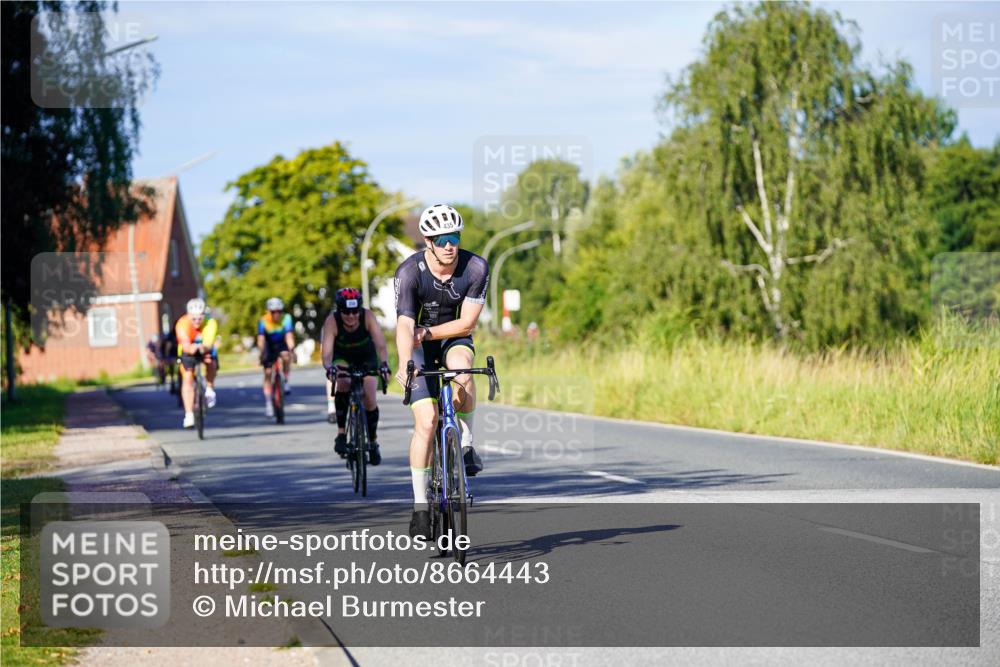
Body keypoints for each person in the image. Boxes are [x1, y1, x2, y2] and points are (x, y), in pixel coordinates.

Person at [394, 204, 489, 539]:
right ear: (428, 240)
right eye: (443, 239)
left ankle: (466, 442)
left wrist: (429, 332)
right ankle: (421, 507)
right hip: (418, 345)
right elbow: (405, 325)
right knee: (426, 421)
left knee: (463, 370)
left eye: (455, 237)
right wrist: (407, 362)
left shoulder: (475, 266)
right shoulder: (409, 272)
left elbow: (467, 322)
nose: (451, 245)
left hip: (452, 337)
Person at [320, 287, 390, 465]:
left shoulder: (368, 317)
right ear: (339, 310)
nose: (351, 316)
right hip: (342, 357)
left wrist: (384, 364)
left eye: (354, 311)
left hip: (366, 357)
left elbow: (381, 345)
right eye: (346, 312)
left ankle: (373, 442)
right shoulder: (332, 321)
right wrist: (329, 368)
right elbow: (327, 353)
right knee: (343, 382)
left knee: (370, 396)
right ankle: (341, 434)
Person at [175, 298, 219, 428]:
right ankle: (189, 415)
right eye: (193, 318)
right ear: (188, 316)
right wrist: (192, 348)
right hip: (187, 350)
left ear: (204, 316)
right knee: (188, 377)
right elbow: (185, 345)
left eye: (200, 318)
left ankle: (210, 389)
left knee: (211, 361)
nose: (197, 321)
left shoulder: (210, 323)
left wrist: (202, 348)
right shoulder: (182, 324)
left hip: (204, 348)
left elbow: (208, 344)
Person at [257, 297, 295, 418]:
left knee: (286, 356)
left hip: (281, 343)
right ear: (269, 311)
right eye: (273, 312)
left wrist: (292, 349)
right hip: (269, 346)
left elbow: (289, 336)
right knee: (268, 372)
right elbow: (261, 339)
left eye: (279, 311)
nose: (277, 314)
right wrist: (262, 352)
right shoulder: (263, 321)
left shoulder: (286, 318)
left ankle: (286, 380)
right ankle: (268, 403)